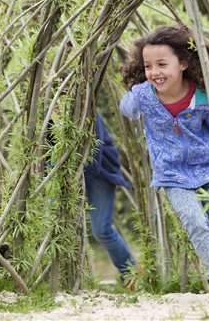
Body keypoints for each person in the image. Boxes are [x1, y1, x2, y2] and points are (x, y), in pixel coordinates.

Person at [119, 25, 209, 290]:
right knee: (196, 225)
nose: (155, 72)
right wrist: (135, 93)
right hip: (171, 174)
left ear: (184, 64)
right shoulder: (145, 95)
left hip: (208, 168)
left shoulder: (204, 98)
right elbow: (127, 110)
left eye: (162, 64)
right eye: (148, 66)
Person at [46, 109, 139, 288]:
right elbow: (46, 151)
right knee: (54, 222)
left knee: (101, 230)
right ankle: (59, 279)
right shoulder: (45, 110)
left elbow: (94, 161)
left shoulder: (86, 106)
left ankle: (132, 274)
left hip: (99, 172)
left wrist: (73, 173)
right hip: (63, 171)